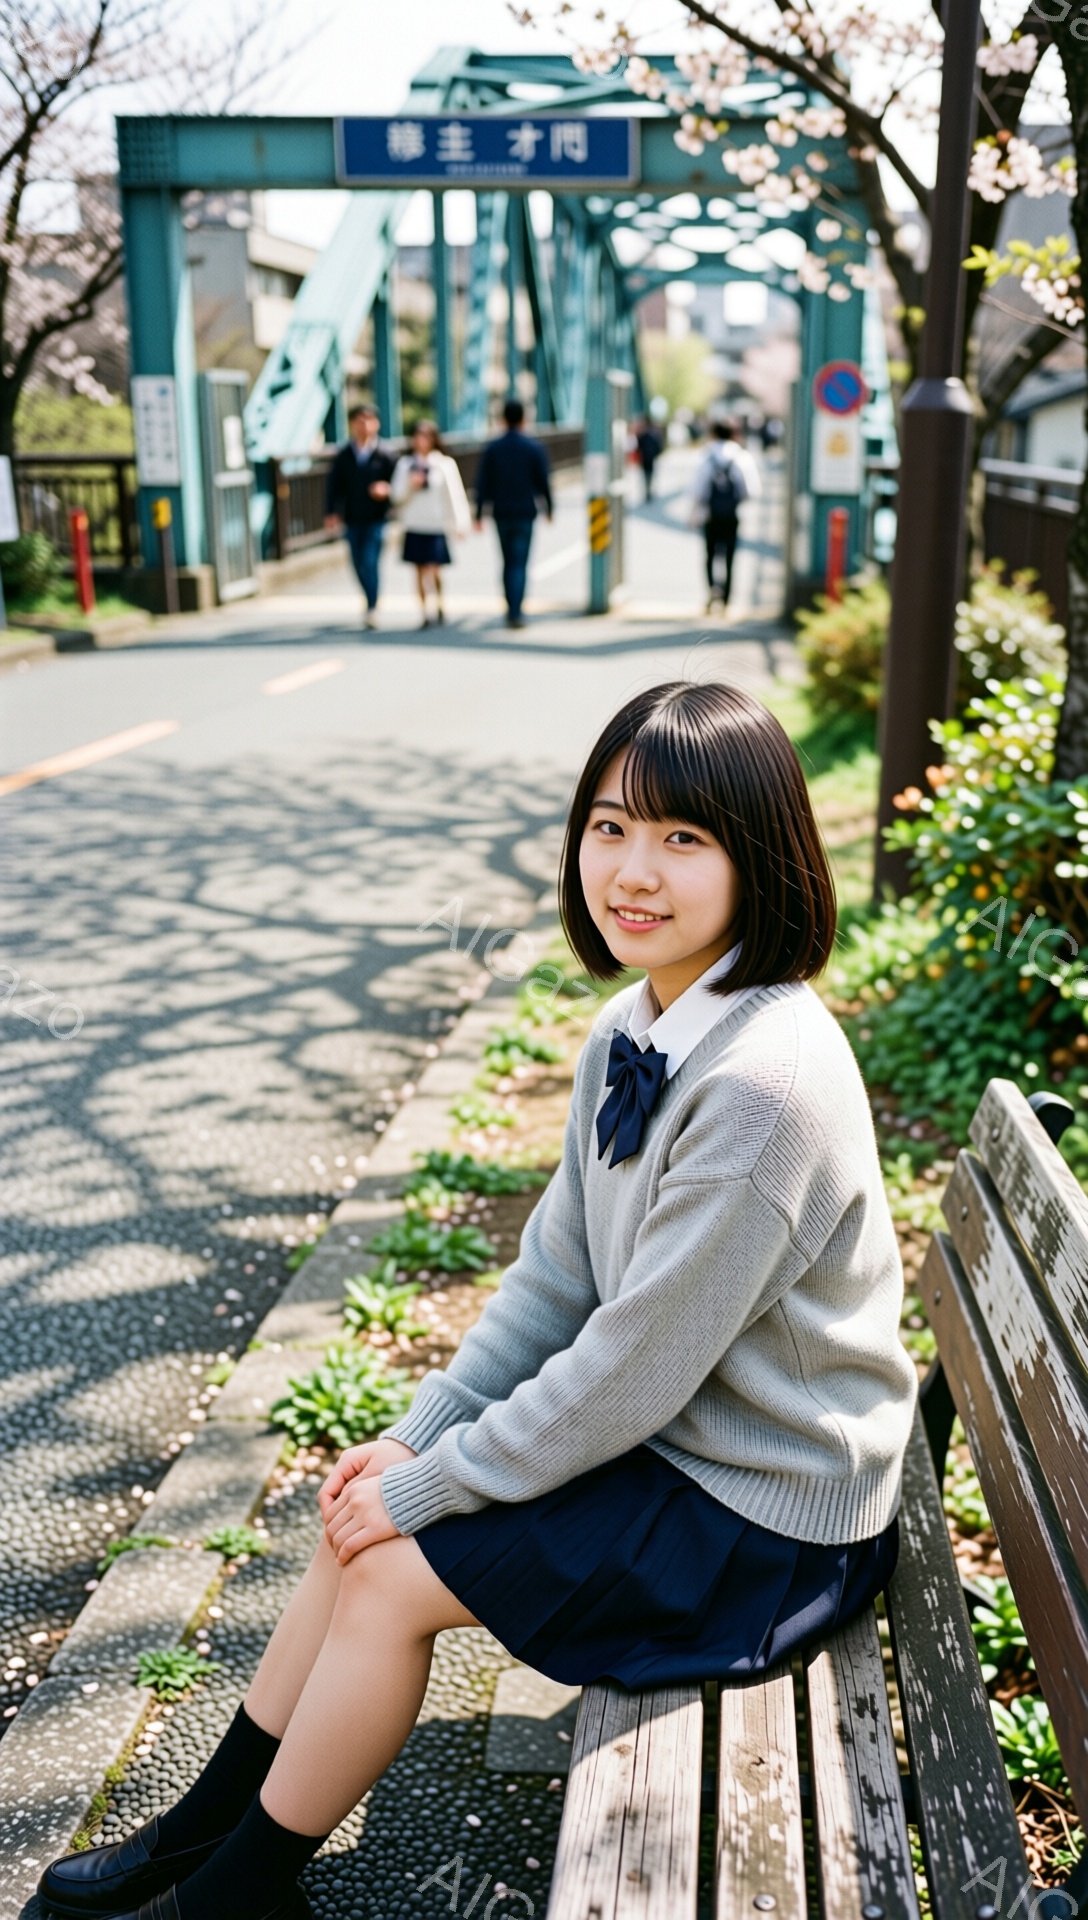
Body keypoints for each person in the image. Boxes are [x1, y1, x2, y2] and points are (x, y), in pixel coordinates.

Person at [39, 680, 919, 1920]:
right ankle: (199, 1836)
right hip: (682, 1449)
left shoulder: (761, 1088)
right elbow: (554, 1279)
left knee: (389, 1571)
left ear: (760, 860)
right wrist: (418, 1439)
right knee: (356, 1514)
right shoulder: (635, 1025)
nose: (632, 870)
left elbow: (629, 1370)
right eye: (608, 826)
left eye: (682, 838)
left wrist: (435, 1488)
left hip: (768, 1516)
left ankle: (234, 1898)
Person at [474, 398, 553, 629]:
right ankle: (516, 611)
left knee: (507, 561)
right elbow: (543, 481)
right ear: (523, 419)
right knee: (519, 563)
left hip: (501, 512)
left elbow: (482, 483)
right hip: (525, 512)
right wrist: (549, 508)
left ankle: (510, 607)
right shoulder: (533, 447)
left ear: (503, 419)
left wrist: (478, 513)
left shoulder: (493, 448)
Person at [391, 420, 471, 629]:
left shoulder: (443, 464)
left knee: (434, 569)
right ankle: (425, 612)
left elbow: (454, 495)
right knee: (418, 570)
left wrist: (460, 523)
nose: (421, 441)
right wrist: (410, 485)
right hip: (414, 524)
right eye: (418, 436)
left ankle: (440, 602)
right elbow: (396, 496)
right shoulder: (406, 465)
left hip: (436, 524)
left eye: (426, 436)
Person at [323, 403, 395, 631]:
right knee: (356, 562)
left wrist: (387, 490)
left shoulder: (386, 454)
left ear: (377, 424)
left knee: (370, 560)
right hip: (352, 517)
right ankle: (369, 597)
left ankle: (372, 606)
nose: (364, 425)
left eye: (368, 420)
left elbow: (399, 483)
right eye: (359, 420)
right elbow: (334, 486)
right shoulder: (345, 454)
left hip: (377, 517)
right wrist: (331, 512)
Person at [691, 418, 762, 614]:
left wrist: (696, 511)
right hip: (732, 515)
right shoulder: (742, 457)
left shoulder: (706, 456)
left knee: (710, 555)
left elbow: (697, 491)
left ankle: (711, 592)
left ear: (713, 434)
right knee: (730, 557)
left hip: (710, 515)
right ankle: (727, 599)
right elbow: (752, 490)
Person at [633, 415, 663, 502]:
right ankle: (648, 491)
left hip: (646, 458)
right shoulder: (652, 434)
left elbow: (638, 447)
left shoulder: (643, 435)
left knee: (646, 475)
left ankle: (648, 491)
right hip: (649, 458)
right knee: (649, 475)